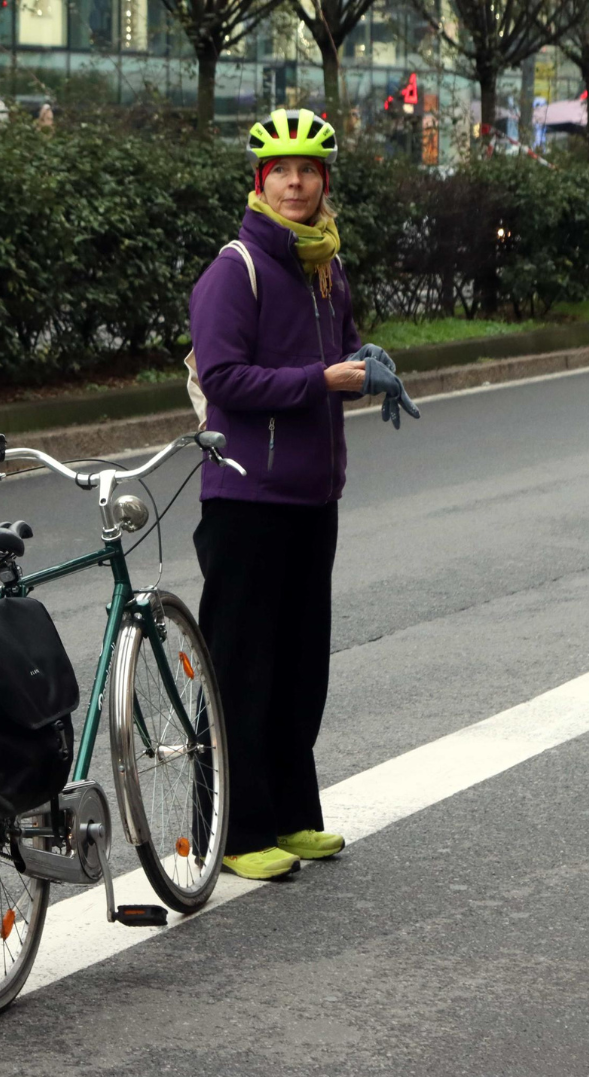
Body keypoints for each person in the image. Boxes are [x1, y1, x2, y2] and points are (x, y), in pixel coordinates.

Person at [189, 108, 419, 881]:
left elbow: (339, 351)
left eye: (309, 171)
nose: (296, 183)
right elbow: (222, 379)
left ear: (324, 182)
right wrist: (321, 378)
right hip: (246, 500)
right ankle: (232, 830)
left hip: (313, 497)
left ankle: (292, 818)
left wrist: (367, 362)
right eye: (281, 171)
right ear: (261, 182)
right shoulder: (236, 268)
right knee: (242, 668)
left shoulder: (327, 265)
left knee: (297, 668)